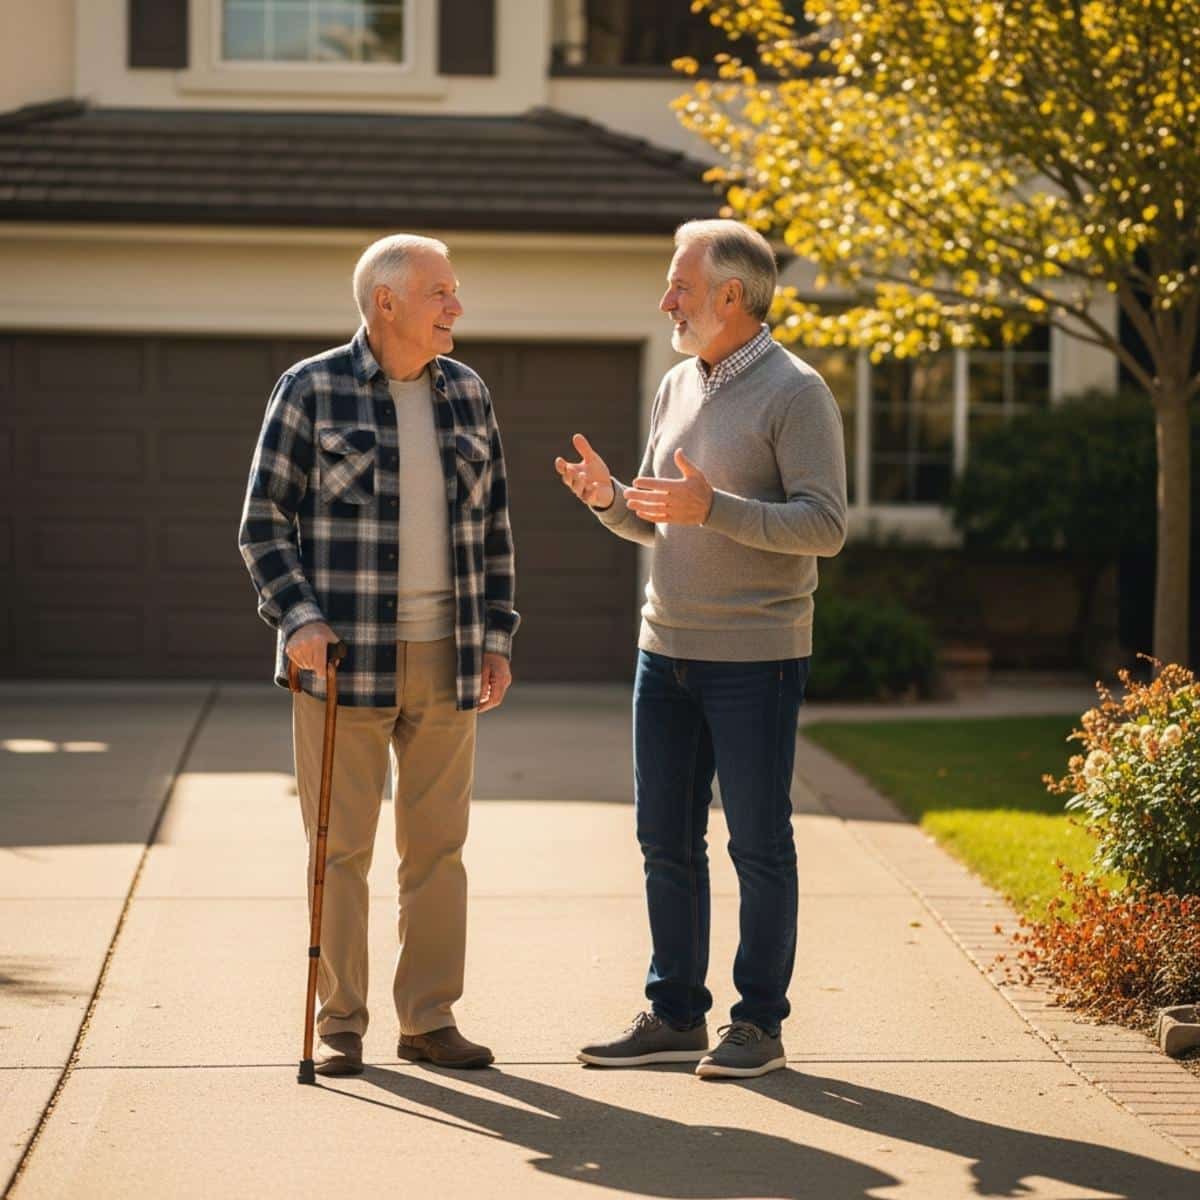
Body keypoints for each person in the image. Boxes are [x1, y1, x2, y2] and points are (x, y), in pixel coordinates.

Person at [556, 219, 846, 1079]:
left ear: (732, 295)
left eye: (679, 284)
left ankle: (759, 1025)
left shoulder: (799, 393)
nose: (665, 299)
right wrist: (611, 497)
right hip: (666, 648)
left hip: (757, 655)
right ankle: (676, 1013)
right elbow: (660, 516)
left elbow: (825, 526)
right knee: (663, 841)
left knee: (758, 844)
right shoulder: (677, 382)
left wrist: (712, 506)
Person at [239, 234, 518, 1075]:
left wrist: (496, 634)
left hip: (450, 653)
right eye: (440, 293)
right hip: (341, 657)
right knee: (339, 848)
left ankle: (429, 1020)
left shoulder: (468, 393)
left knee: (438, 849)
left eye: (455, 292)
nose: (456, 308)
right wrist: (299, 621)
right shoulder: (311, 388)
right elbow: (262, 525)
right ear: (386, 302)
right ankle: (341, 1023)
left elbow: (495, 527)